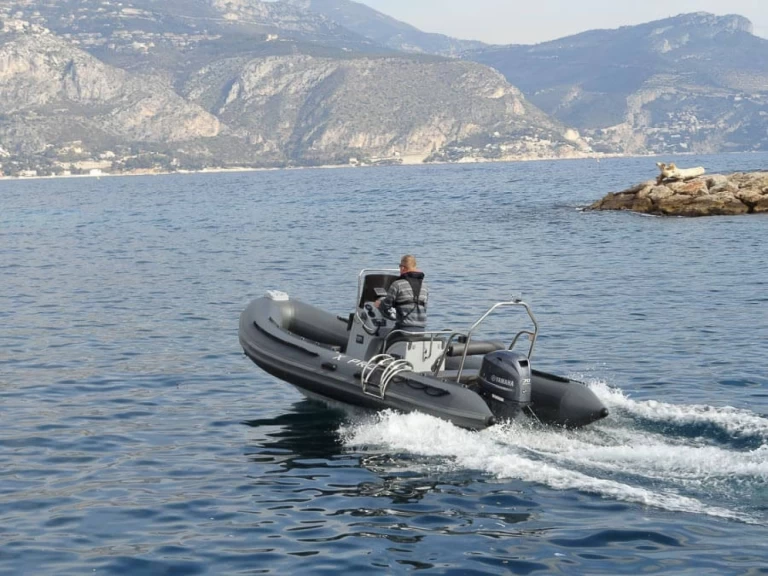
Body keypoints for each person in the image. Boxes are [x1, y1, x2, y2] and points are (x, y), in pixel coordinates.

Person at [375, 254, 428, 332]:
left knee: (384, 342)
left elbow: (386, 305)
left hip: (403, 330)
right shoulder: (424, 287)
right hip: (421, 330)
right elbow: (424, 308)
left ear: (403, 268)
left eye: (400, 266)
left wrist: (379, 304)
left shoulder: (397, 284)